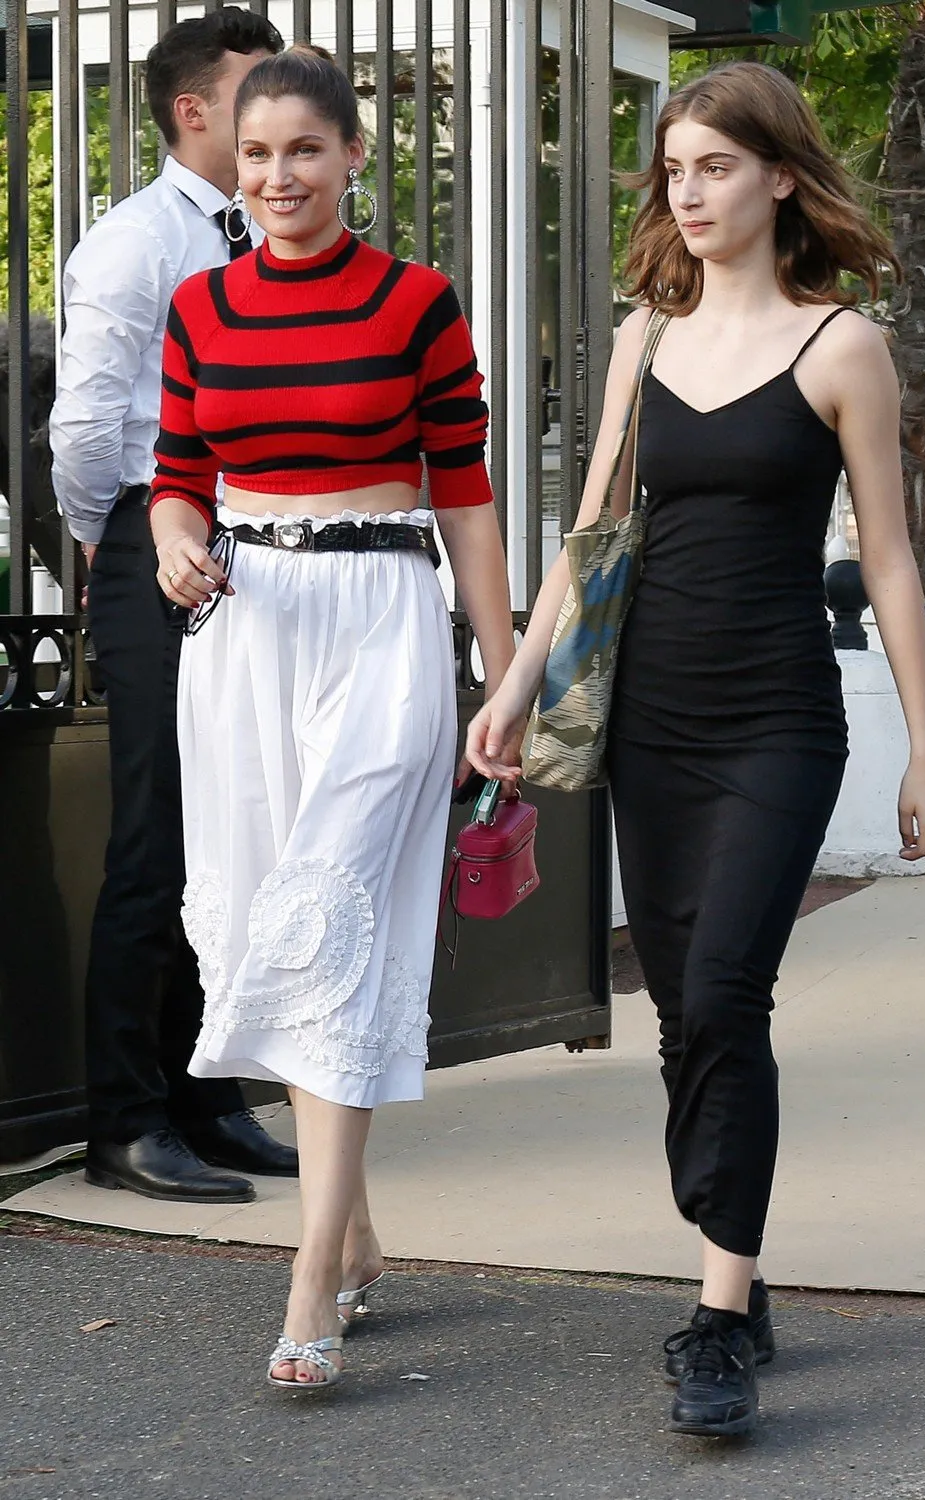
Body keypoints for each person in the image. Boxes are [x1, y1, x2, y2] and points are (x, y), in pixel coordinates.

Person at [466, 60, 925, 1439]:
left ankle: (719, 1316)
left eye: (715, 167)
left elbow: (894, 560)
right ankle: (734, 1235)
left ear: (780, 178)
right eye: (674, 169)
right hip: (653, 725)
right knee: (687, 1016)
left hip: (779, 722)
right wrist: (514, 685)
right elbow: (591, 534)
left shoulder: (838, 344)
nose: (688, 193)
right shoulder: (643, 339)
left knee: (729, 992)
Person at [148, 46, 517, 1391]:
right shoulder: (201, 306)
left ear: (355, 155)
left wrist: (504, 670)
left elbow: (466, 498)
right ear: (231, 163)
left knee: (333, 913)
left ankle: (309, 1270)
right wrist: (176, 540)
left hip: (379, 621)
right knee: (259, 917)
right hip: (245, 628)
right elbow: (178, 477)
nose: (280, 176)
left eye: (305, 149)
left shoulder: (420, 303)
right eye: (256, 154)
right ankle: (351, 1223)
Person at [50, 9, 295, 1204]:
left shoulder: (272, 235)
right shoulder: (135, 244)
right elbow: (89, 429)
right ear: (194, 109)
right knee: (154, 841)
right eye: (258, 85)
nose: (283, 101)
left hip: (259, 552)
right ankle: (125, 1120)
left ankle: (208, 1098)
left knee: (234, 836)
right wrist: (120, 536)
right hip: (159, 544)